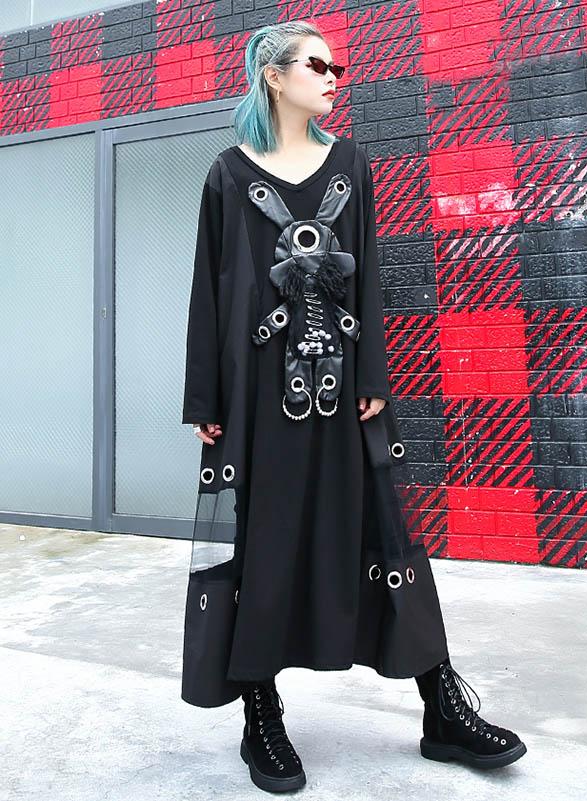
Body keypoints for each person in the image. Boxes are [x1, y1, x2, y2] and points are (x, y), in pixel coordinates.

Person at [182, 20, 527, 794]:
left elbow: (368, 276)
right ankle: (260, 713)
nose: (334, 75)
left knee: (387, 534)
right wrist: (204, 394)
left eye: (335, 65)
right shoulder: (228, 175)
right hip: (258, 394)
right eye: (318, 64)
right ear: (274, 76)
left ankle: (442, 706)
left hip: (346, 391)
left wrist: (374, 372)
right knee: (264, 540)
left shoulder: (351, 166)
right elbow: (209, 285)